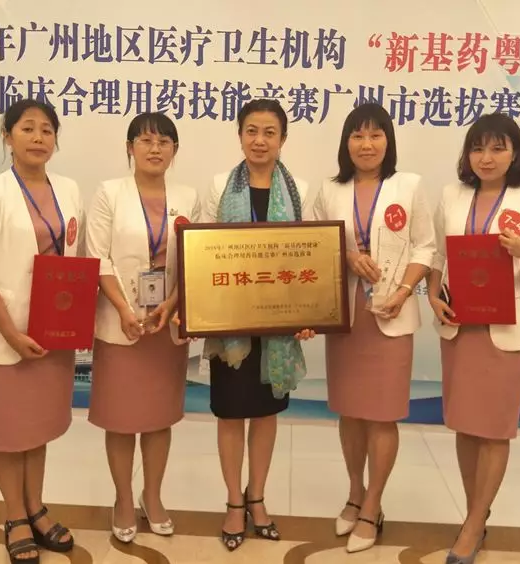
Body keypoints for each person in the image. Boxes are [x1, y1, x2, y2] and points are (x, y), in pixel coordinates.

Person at [0, 99, 84, 564]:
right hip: (7, 335)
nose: (38, 137)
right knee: (9, 433)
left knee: (38, 427)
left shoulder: (69, 189)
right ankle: (15, 515)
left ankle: (37, 507)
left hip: (55, 333)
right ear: (7, 136)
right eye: (27, 128)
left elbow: (78, 260)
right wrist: (12, 334)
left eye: (47, 130)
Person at [313, 102, 435, 553]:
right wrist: (345, 255)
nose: (366, 144)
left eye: (375, 135)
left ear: (388, 141)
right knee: (350, 412)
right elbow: (314, 243)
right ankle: (354, 492)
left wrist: (404, 291)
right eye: (358, 135)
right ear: (346, 143)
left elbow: (426, 247)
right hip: (346, 317)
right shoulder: (330, 190)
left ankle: (373, 506)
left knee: (382, 415)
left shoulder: (409, 185)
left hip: (391, 313)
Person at [427, 113, 520, 564]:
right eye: (478, 148)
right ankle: (475, 514)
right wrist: (432, 294)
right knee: (466, 424)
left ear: (514, 153)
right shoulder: (452, 195)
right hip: (460, 325)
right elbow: (438, 255)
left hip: (506, 330)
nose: (487, 157)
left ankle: (474, 524)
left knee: (494, 430)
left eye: (498, 148)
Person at [201, 99, 314, 551]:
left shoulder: (300, 190)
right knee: (230, 414)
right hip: (230, 323)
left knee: (266, 414)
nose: (260, 140)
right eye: (251, 131)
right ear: (240, 135)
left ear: (283, 139)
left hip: (278, 325)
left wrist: (308, 314)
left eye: (270, 132)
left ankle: (257, 497)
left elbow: (310, 257)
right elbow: (204, 255)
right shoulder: (218, 186)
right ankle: (234, 500)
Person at [85, 112, 199, 542]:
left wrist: (172, 304)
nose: (155, 149)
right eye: (145, 140)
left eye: (164, 141)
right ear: (129, 147)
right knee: (120, 419)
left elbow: (195, 257)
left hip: (165, 324)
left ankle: (153, 496)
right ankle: (122, 498)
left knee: (157, 417)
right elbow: (98, 257)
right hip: (122, 324)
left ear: (175, 150)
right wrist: (123, 309)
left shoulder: (188, 196)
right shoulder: (109, 193)